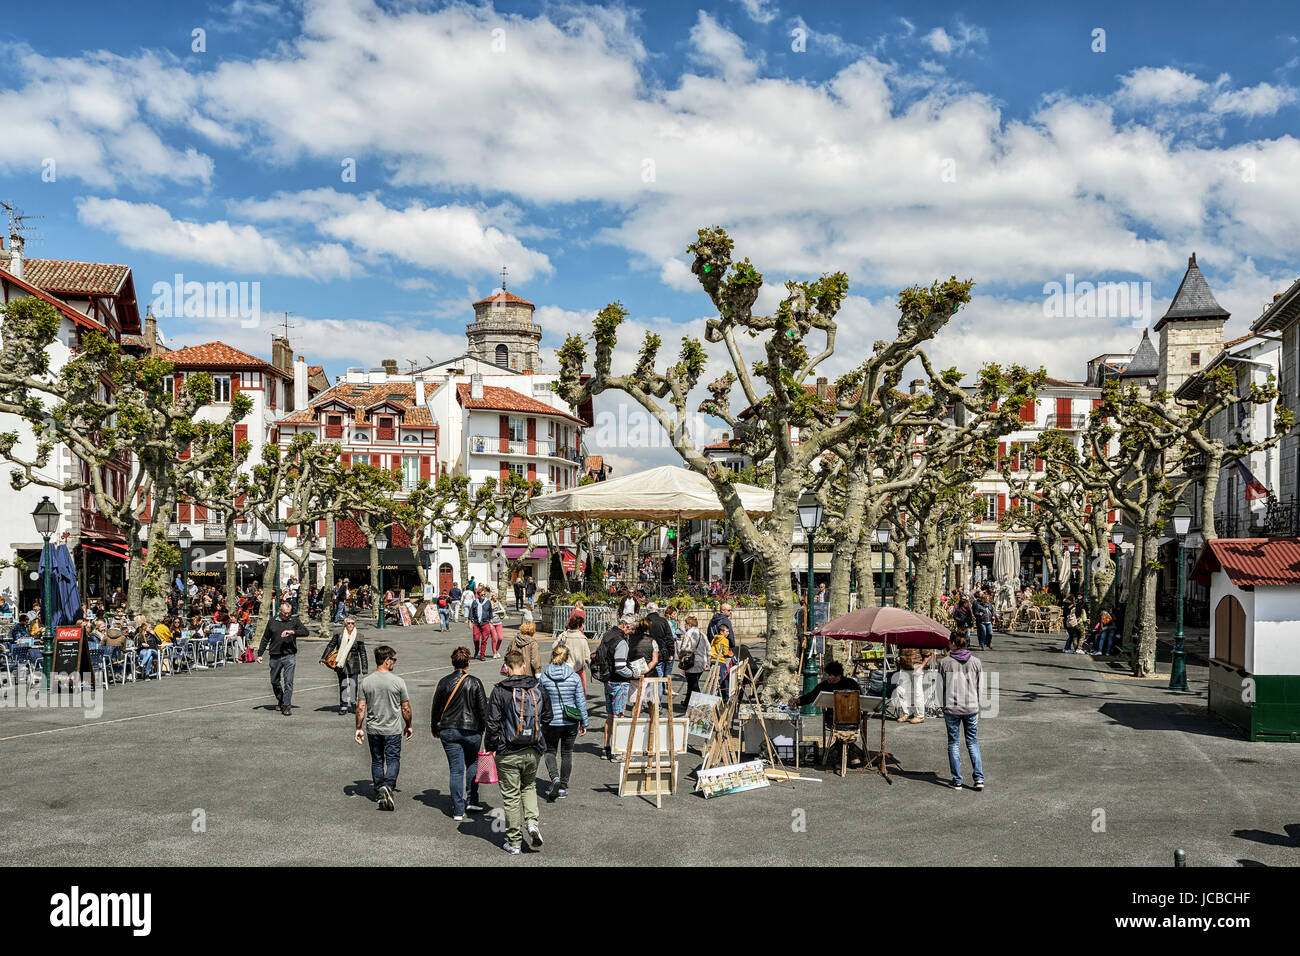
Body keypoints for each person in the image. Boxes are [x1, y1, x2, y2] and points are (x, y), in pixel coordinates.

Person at [485, 648, 552, 854]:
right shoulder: (537, 688)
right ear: (524, 665)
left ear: (505, 667)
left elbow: (492, 723)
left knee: (511, 796)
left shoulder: (500, 690)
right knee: (529, 786)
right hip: (533, 748)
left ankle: (514, 841)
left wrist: (491, 747)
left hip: (507, 750)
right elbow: (548, 716)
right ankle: (532, 823)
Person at [430, 645, 489, 821]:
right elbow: (482, 709)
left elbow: (436, 707)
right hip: (472, 730)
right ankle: (472, 800)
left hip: (449, 729)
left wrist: (435, 727)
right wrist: (486, 730)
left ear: (452, 662)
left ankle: (457, 808)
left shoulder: (444, 682)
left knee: (456, 770)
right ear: (468, 662)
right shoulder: (475, 682)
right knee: (472, 764)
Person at [355, 645, 412, 810]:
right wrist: (408, 725)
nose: (394, 662)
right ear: (387, 661)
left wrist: (358, 728)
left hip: (374, 729)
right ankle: (387, 786)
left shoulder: (366, 682)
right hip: (392, 729)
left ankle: (380, 790)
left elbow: (360, 708)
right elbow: (406, 708)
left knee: (377, 760)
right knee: (393, 759)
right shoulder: (398, 682)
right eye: (393, 659)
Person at [788, 660, 863, 767]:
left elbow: (862, 700)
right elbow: (811, 696)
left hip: (845, 719)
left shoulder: (851, 683)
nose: (828, 677)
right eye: (827, 675)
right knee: (840, 726)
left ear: (838, 676)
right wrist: (797, 701)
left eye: (830, 675)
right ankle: (852, 755)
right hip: (845, 720)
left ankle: (841, 757)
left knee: (839, 727)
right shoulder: (828, 685)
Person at [537, 644, 589, 801]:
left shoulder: (544, 677)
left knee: (550, 751)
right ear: (567, 658)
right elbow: (580, 701)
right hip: (570, 720)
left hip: (550, 721)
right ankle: (563, 787)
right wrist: (584, 722)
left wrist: (538, 720)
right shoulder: (574, 677)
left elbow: (539, 700)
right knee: (567, 753)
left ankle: (555, 779)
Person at [938, 631, 984, 791]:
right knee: (972, 742)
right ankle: (978, 779)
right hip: (971, 707)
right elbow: (980, 687)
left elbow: (940, 687)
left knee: (953, 743)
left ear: (953, 644)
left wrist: (941, 705)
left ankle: (957, 780)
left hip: (951, 708)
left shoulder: (945, 662)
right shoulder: (976, 662)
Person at [257, 601, 309, 716]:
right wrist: (260, 654)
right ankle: (281, 700)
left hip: (289, 655)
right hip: (275, 655)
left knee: (288, 682)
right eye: (285, 613)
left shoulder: (294, 621)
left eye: (289, 613)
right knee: (274, 681)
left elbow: (306, 632)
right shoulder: (272, 622)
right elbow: (265, 638)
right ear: (280, 611)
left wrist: (292, 632)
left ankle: (286, 706)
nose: (287, 615)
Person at [597, 615, 636, 760]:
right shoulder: (621, 642)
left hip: (608, 680)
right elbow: (620, 667)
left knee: (610, 715)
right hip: (619, 682)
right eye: (631, 628)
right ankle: (616, 751)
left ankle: (606, 748)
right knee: (619, 716)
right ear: (625, 625)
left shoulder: (608, 634)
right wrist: (632, 674)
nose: (631, 631)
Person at [320, 616, 368, 715]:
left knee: (353, 684)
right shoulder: (339, 634)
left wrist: (364, 667)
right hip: (340, 662)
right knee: (343, 684)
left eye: (352, 623)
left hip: (354, 662)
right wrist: (323, 658)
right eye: (348, 623)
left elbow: (362, 652)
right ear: (345, 624)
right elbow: (331, 645)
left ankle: (354, 703)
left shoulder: (359, 636)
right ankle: (343, 705)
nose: (350, 625)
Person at [676, 614, 710, 708]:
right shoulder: (702, 634)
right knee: (693, 682)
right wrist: (708, 661)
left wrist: (680, 655)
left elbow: (684, 648)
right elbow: (708, 648)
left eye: (686, 624)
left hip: (692, 662)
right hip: (702, 661)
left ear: (689, 625)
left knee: (693, 684)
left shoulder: (689, 633)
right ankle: (687, 702)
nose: (685, 627)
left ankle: (699, 704)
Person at [553, 612, 591, 696]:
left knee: (565, 695)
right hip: (579, 670)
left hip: (564, 669)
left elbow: (554, 647)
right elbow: (587, 657)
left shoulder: (563, 635)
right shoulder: (582, 638)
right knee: (579, 695)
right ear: (579, 626)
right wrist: (591, 666)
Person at [896, 644, 934, 723]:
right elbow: (900, 652)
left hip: (917, 666)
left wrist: (920, 668)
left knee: (917, 692)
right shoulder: (903, 637)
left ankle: (920, 716)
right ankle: (907, 713)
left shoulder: (919, 636)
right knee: (901, 691)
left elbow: (927, 655)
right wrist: (898, 658)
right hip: (904, 667)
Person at [470, 586, 494, 660]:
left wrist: (491, 620)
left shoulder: (487, 602)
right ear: (478, 595)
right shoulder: (475, 602)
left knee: (484, 640)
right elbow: (471, 612)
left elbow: (490, 611)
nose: (483, 596)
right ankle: (477, 651)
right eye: (482, 595)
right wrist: (470, 621)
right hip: (477, 623)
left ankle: (482, 655)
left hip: (485, 623)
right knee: (476, 639)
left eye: (484, 594)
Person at [489, 590, 507, 656]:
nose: (496, 597)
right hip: (491, 623)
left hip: (498, 622)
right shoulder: (489, 603)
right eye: (494, 595)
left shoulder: (498, 602)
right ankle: (494, 653)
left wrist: (499, 612)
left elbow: (503, 610)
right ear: (492, 596)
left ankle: (496, 650)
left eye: (496, 595)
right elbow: (487, 612)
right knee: (494, 638)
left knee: (500, 638)